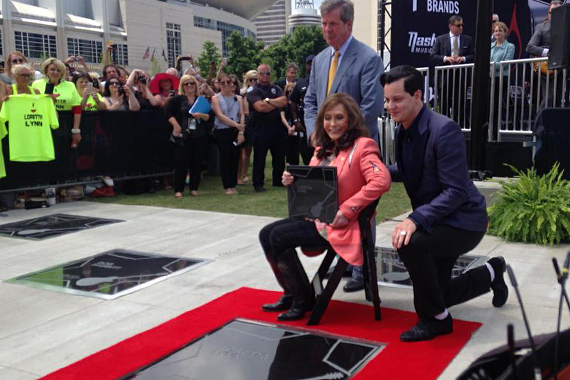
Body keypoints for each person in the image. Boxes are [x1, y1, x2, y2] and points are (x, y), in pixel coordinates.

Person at [381, 65, 508, 342]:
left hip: (463, 222)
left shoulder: (444, 130)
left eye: (397, 99)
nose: (390, 106)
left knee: (408, 243)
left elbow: (455, 191)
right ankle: (492, 271)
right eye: (387, 100)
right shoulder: (403, 130)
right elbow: (411, 170)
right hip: (436, 221)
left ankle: (436, 321)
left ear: (418, 96)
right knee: (439, 294)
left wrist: (415, 219)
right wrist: (376, 172)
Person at [259, 93, 391, 321]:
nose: (332, 123)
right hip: (317, 217)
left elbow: (381, 180)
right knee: (266, 234)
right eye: (327, 118)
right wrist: (292, 179)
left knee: (279, 236)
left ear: (351, 120)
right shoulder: (323, 148)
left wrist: (348, 209)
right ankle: (291, 292)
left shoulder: (363, 146)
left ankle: (304, 300)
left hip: (344, 223)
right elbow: (313, 182)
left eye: (339, 117)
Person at [304, 0, 383, 143]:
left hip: (356, 149)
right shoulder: (319, 60)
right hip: (324, 149)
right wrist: (314, 133)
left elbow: (371, 107)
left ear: (349, 25)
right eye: (324, 23)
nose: (327, 29)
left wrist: (340, 137)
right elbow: (310, 101)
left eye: (333, 24)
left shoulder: (369, 59)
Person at [165, 75, 210, 198]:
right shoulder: (177, 100)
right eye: (186, 84)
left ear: (196, 85)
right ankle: (178, 189)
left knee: (197, 163)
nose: (189, 86)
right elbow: (167, 112)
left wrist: (202, 115)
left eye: (192, 83)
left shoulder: (200, 100)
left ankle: (194, 188)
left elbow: (209, 117)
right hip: (183, 135)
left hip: (199, 135)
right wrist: (175, 125)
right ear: (182, 86)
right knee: (181, 163)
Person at [246, 64, 288, 193]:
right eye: (262, 73)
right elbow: (260, 108)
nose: (265, 76)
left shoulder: (275, 88)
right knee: (260, 158)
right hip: (260, 128)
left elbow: (284, 101)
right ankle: (258, 184)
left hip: (277, 128)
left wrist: (268, 100)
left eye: (268, 73)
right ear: (257, 74)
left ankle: (278, 181)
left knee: (279, 157)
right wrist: (275, 103)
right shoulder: (253, 90)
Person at [430, 15, 474, 122]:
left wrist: (463, 58)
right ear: (450, 26)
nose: (461, 27)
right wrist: (446, 58)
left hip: (461, 79)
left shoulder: (467, 39)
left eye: (462, 25)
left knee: (459, 106)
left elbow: (473, 55)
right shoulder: (440, 39)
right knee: (444, 104)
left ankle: (459, 128)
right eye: (458, 25)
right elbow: (433, 56)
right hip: (444, 78)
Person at [32, 58, 83, 148]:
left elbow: (77, 109)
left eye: (58, 70)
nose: (55, 72)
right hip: (43, 122)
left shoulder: (70, 85)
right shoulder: (37, 84)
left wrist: (76, 130)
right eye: (52, 69)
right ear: (46, 70)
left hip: (65, 123)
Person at [526, 0, 564, 109]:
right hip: (547, 69)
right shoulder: (541, 27)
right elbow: (530, 47)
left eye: (558, 12)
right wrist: (548, 53)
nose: (555, 15)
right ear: (548, 13)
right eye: (552, 12)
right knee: (549, 98)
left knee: (558, 100)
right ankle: (540, 124)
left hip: (563, 69)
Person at [212, 73, 245, 195]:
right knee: (225, 158)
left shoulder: (239, 98)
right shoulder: (216, 98)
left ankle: (233, 183)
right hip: (222, 131)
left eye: (228, 82)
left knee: (235, 157)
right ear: (219, 84)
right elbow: (220, 116)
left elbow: (241, 115)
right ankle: (227, 185)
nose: (226, 85)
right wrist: (236, 125)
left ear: (233, 84)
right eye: (223, 82)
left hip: (236, 131)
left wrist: (241, 131)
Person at [290, 55, 316, 165]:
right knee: (306, 153)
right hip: (305, 125)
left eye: (314, 63)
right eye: (309, 64)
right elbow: (293, 102)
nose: (311, 66)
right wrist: (296, 121)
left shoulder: (325, 80)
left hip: (323, 123)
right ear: (306, 66)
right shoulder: (301, 83)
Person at [490, 21, 515, 134]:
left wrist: (492, 65)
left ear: (505, 32)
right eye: (496, 31)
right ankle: (491, 129)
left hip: (502, 78)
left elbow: (506, 62)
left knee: (501, 104)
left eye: (500, 30)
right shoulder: (490, 46)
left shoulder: (510, 46)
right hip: (490, 78)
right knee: (490, 105)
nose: (498, 33)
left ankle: (508, 127)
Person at [238, 70, 257, 185]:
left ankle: (245, 173)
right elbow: (245, 111)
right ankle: (240, 175)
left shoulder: (259, 91)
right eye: (251, 80)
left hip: (256, 121)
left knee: (249, 151)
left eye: (255, 79)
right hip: (247, 121)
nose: (253, 82)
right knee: (243, 151)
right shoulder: (244, 93)